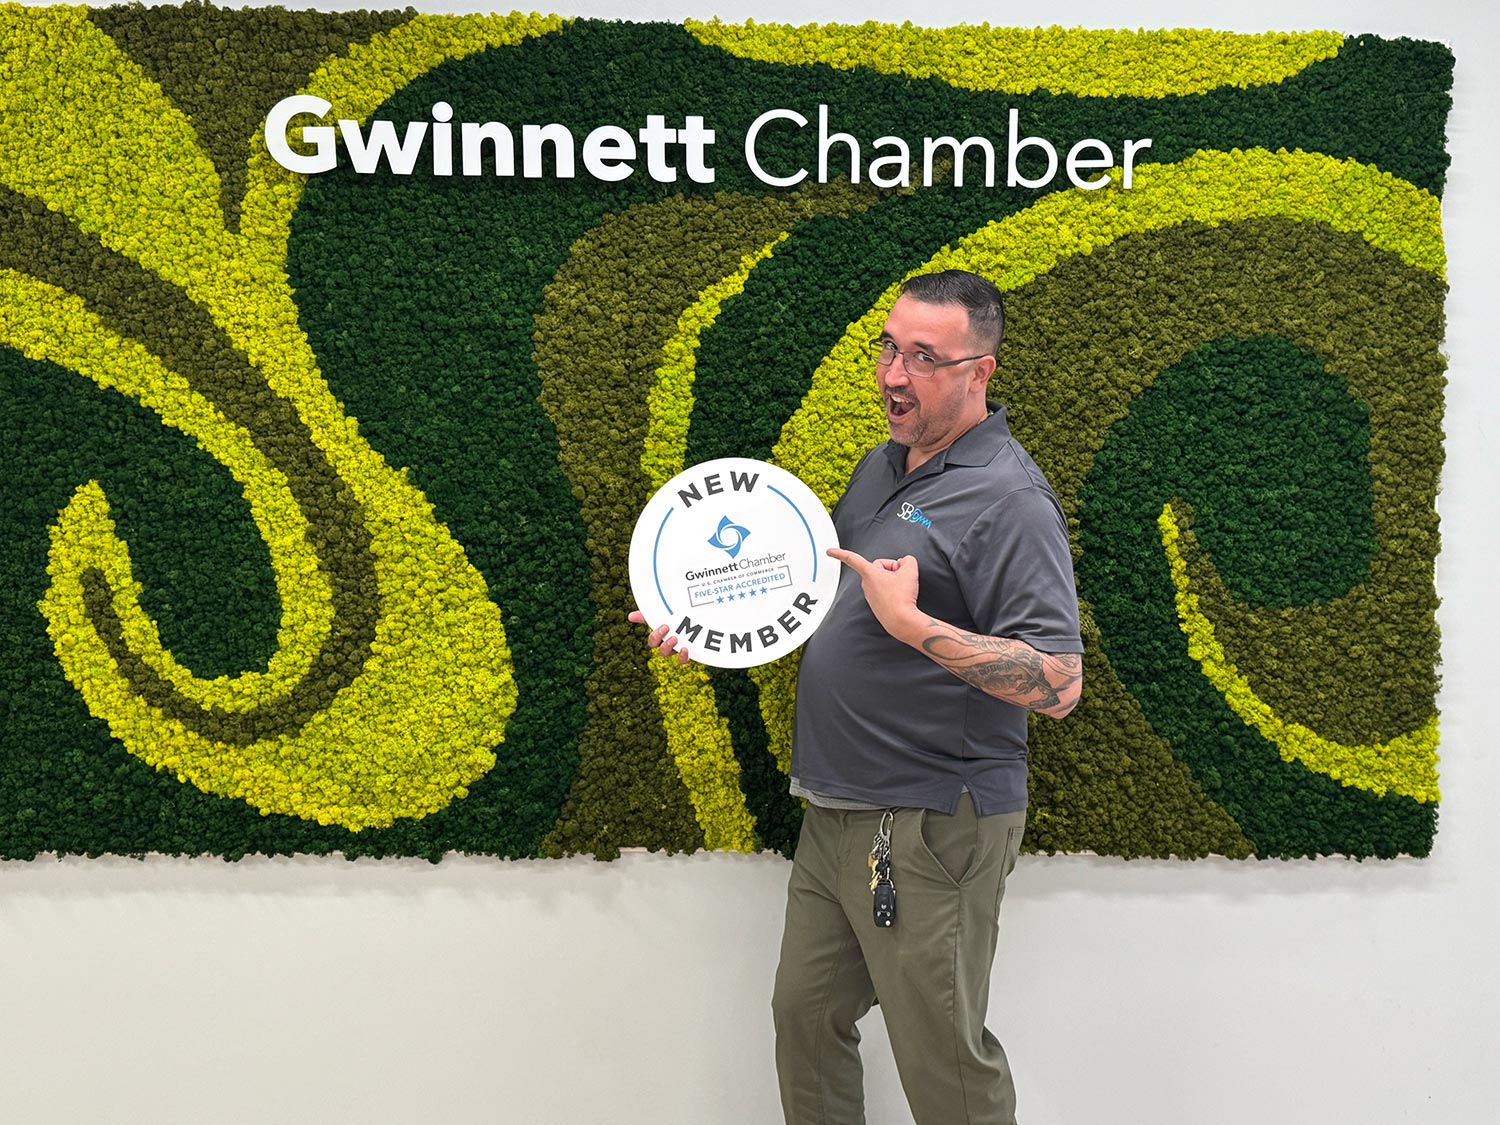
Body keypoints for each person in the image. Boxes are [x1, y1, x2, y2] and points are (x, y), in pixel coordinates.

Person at [632, 269, 1083, 1124]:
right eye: (888, 346)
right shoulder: (883, 467)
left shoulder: (1009, 500)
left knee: (945, 1058)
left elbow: (1058, 682)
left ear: (980, 370)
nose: (892, 374)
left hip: (929, 821)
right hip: (836, 809)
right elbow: (819, 600)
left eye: (923, 356)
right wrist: (708, 620)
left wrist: (916, 627)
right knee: (804, 1018)